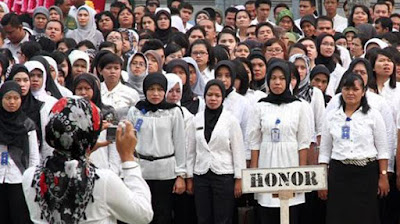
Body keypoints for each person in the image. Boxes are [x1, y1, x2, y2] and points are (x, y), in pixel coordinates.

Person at [22, 97, 153, 224]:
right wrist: (128, 158)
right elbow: (143, 214)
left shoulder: (30, 177)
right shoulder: (103, 180)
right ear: (91, 135)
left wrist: (83, 152)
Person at [318, 73, 389, 224]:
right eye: (347, 88)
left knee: (365, 216)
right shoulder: (331, 116)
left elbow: (383, 149)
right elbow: (324, 151)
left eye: (355, 89)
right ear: (341, 91)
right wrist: (322, 181)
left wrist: (383, 176)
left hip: (366, 173)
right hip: (339, 174)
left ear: (363, 92)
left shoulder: (373, 115)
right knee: (338, 216)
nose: (350, 93)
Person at [248, 59, 311, 224]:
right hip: (267, 162)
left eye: (282, 78)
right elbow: (254, 141)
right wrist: (254, 172)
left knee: (290, 212)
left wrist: (301, 174)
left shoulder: (300, 106)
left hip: (291, 162)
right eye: (273, 78)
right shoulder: (260, 106)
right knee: (267, 212)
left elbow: (303, 142)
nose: (277, 82)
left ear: (288, 81)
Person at [127, 73, 186, 224]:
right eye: (151, 89)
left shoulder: (173, 112)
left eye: (159, 89)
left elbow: (180, 143)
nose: (155, 93)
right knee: (141, 214)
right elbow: (129, 140)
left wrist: (181, 175)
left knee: (163, 214)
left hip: (165, 172)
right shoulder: (136, 111)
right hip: (141, 170)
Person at [186, 79, 246, 224]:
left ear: (223, 98)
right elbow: (190, 151)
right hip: (201, 175)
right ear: (204, 96)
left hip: (224, 175)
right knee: (203, 217)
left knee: (223, 218)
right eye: (210, 95)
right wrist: (189, 177)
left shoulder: (231, 121)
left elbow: (238, 151)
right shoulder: (196, 120)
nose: (213, 99)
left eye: (217, 95)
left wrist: (239, 179)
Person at [0, 81, 40, 224]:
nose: (12, 102)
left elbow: (34, 156)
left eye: (16, 98)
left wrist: (32, 179)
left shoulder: (27, 124)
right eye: (8, 98)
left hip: (19, 179)